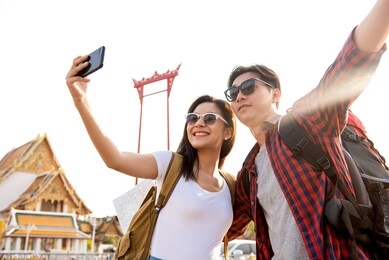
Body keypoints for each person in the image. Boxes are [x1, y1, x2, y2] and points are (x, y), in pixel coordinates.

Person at [223, 1, 389, 259]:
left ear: (275, 93)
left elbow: (348, 66)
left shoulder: (305, 121)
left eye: (248, 87)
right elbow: (220, 226)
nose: (240, 96)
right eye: (233, 93)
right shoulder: (249, 172)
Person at [65, 61, 236, 259]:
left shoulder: (230, 184)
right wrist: (81, 101)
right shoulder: (170, 164)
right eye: (192, 118)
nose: (198, 123)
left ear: (228, 132)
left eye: (209, 118)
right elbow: (115, 159)